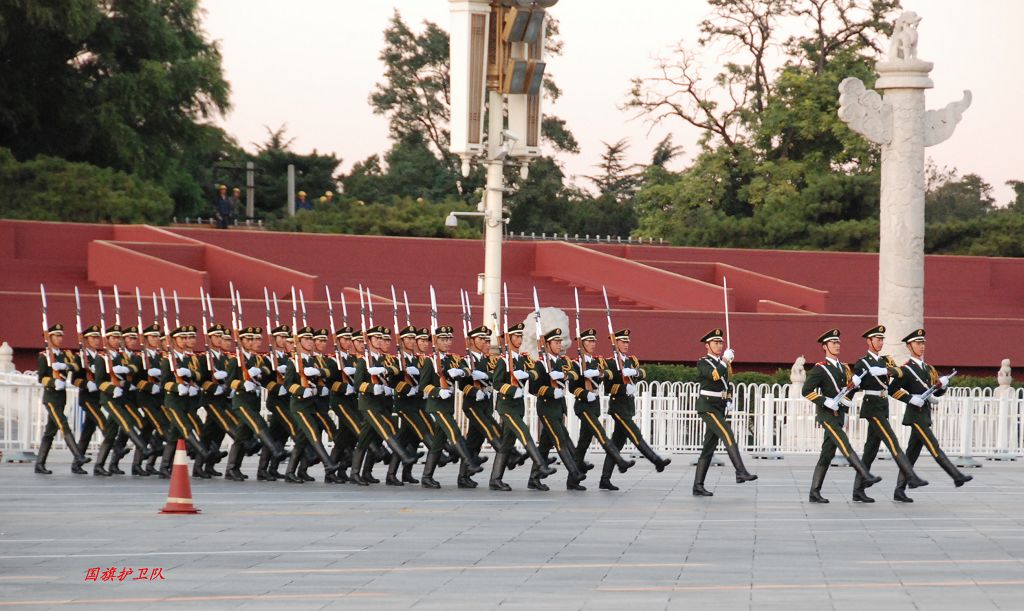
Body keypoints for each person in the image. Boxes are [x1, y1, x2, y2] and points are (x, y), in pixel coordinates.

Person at [891, 328, 973, 502]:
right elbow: (892, 389)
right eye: (918, 343)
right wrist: (910, 399)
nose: (922, 346)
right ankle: (956, 476)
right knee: (934, 446)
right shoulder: (906, 369)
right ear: (909, 346)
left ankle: (899, 490)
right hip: (915, 416)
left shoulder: (929, 369)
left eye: (923, 343)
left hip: (925, 415)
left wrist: (943, 386)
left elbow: (935, 394)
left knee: (911, 453)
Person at [801, 328, 881, 503]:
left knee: (827, 454)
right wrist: (824, 401)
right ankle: (865, 475)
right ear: (825, 346)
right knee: (845, 445)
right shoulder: (820, 369)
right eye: (833, 343)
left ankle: (814, 492)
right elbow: (806, 391)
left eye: (838, 343)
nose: (837, 346)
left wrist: (854, 386)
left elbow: (847, 392)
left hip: (838, 415)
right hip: (826, 416)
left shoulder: (844, 368)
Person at [850, 325, 928, 502]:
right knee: (893, 442)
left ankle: (858, 490)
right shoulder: (862, 362)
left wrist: (886, 370)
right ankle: (911, 477)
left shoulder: (886, 360)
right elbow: (857, 382)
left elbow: (899, 372)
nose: (880, 342)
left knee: (870, 450)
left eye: (882, 339)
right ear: (868, 341)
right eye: (877, 339)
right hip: (871, 407)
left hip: (883, 405)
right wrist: (855, 381)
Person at [599, 329, 671, 491]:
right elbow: (607, 388)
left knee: (617, 444)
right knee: (635, 434)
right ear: (615, 343)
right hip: (617, 407)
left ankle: (605, 479)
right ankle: (656, 461)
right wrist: (624, 388)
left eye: (627, 342)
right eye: (623, 342)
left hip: (628, 407)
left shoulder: (631, 360)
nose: (626, 345)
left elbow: (644, 373)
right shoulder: (610, 363)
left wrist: (634, 372)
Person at [488, 322, 555, 491]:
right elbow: (496, 383)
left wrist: (527, 374)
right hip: (506, 407)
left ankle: (495, 480)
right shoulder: (503, 361)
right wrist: (511, 389)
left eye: (520, 336)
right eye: (516, 336)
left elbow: (536, 371)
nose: (519, 339)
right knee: (524, 433)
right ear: (508, 338)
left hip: (518, 407)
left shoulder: (522, 359)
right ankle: (540, 464)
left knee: (506, 444)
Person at [566, 327, 635, 490]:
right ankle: (619, 463)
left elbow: (605, 376)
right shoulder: (576, 363)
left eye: (594, 341)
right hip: (583, 405)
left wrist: (600, 373)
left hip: (594, 405)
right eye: (589, 341)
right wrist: (584, 393)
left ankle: (573, 480)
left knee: (583, 443)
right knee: (601, 435)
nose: (593, 344)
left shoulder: (597, 362)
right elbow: (572, 387)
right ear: (581, 344)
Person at [692, 328, 757, 497]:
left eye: (721, 342)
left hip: (720, 406)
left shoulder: (724, 363)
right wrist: (724, 360)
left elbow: (726, 383)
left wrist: (728, 399)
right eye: (715, 342)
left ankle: (698, 486)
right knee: (728, 435)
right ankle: (740, 471)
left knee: (708, 448)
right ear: (707, 345)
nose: (719, 345)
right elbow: (714, 376)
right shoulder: (703, 362)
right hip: (708, 407)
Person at [416, 325, 481, 488]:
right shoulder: (430, 360)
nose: (447, 343)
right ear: (435, 341)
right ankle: (469, 462)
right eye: (443, 340)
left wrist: (460, 373)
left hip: (447, 405)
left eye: (449, 339)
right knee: (454, 432)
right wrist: (437, 391)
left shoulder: (453, 359)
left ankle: (427, 476)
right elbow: (423, 385)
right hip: (436, 405)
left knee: (438, 442)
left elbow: (468, 369)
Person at [532, 328, 585, 491]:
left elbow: (575, 374)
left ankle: (534, 478)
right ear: (547, 344)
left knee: (545, 444)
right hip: (546, 406)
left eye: (559, 342)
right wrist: (549, 390)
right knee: (560, 438)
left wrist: (563, 376)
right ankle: (575, 472)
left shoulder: (563, 362)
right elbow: (533, 388)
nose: (559, 345)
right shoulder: (540, 363)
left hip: (558, 407)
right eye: (555, 342)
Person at [35, 323, 91, 474]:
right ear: (49, 337)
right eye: (56, 336)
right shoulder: (44, 356)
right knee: (63, 424)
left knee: (49, 432)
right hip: (51, 397)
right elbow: (41, 378)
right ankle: (78, 456)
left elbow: (76, 366)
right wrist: (54, 382)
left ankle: (39, 464)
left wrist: (64, 367)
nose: (59, 339)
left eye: (61, 336)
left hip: (62, 397)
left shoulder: (65, 354)